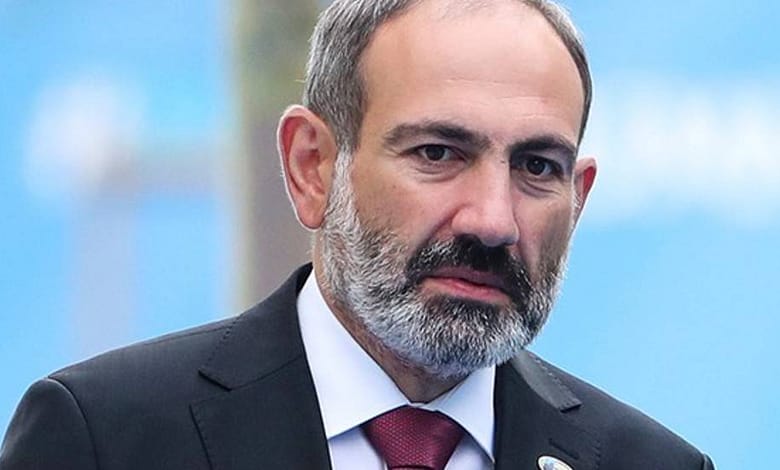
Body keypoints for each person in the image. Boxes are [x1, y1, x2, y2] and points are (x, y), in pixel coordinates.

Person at [1, 0, 714, 469]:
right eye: (438, 153)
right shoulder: (105, 440)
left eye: (536, 167)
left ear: (578, 198)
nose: (493, 221)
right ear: (312, 167)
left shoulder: (650, 465)